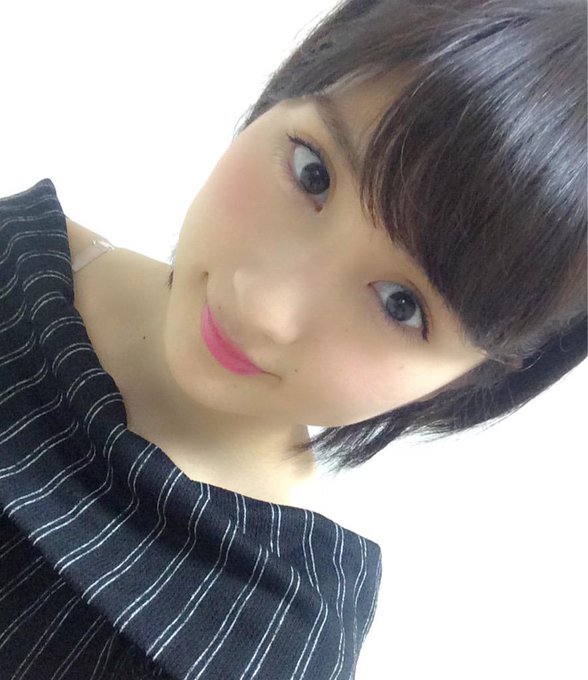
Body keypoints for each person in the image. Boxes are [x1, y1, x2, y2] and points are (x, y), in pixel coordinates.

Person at [0, 0, 585, 678]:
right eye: (313, 172)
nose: (264, 307)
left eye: (401, 305)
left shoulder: (268, 643)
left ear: (484, 375)